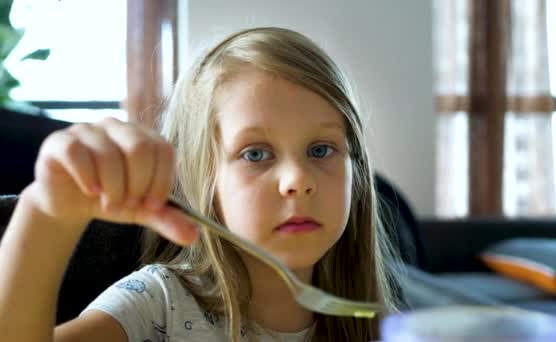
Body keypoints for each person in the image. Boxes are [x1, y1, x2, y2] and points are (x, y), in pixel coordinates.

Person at [0, 27, 406, 341]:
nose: (297, 180)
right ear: (200, 183)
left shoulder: (383, 325)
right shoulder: (156, 303)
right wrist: (46, 216)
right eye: (255, 154)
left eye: (320, 150)